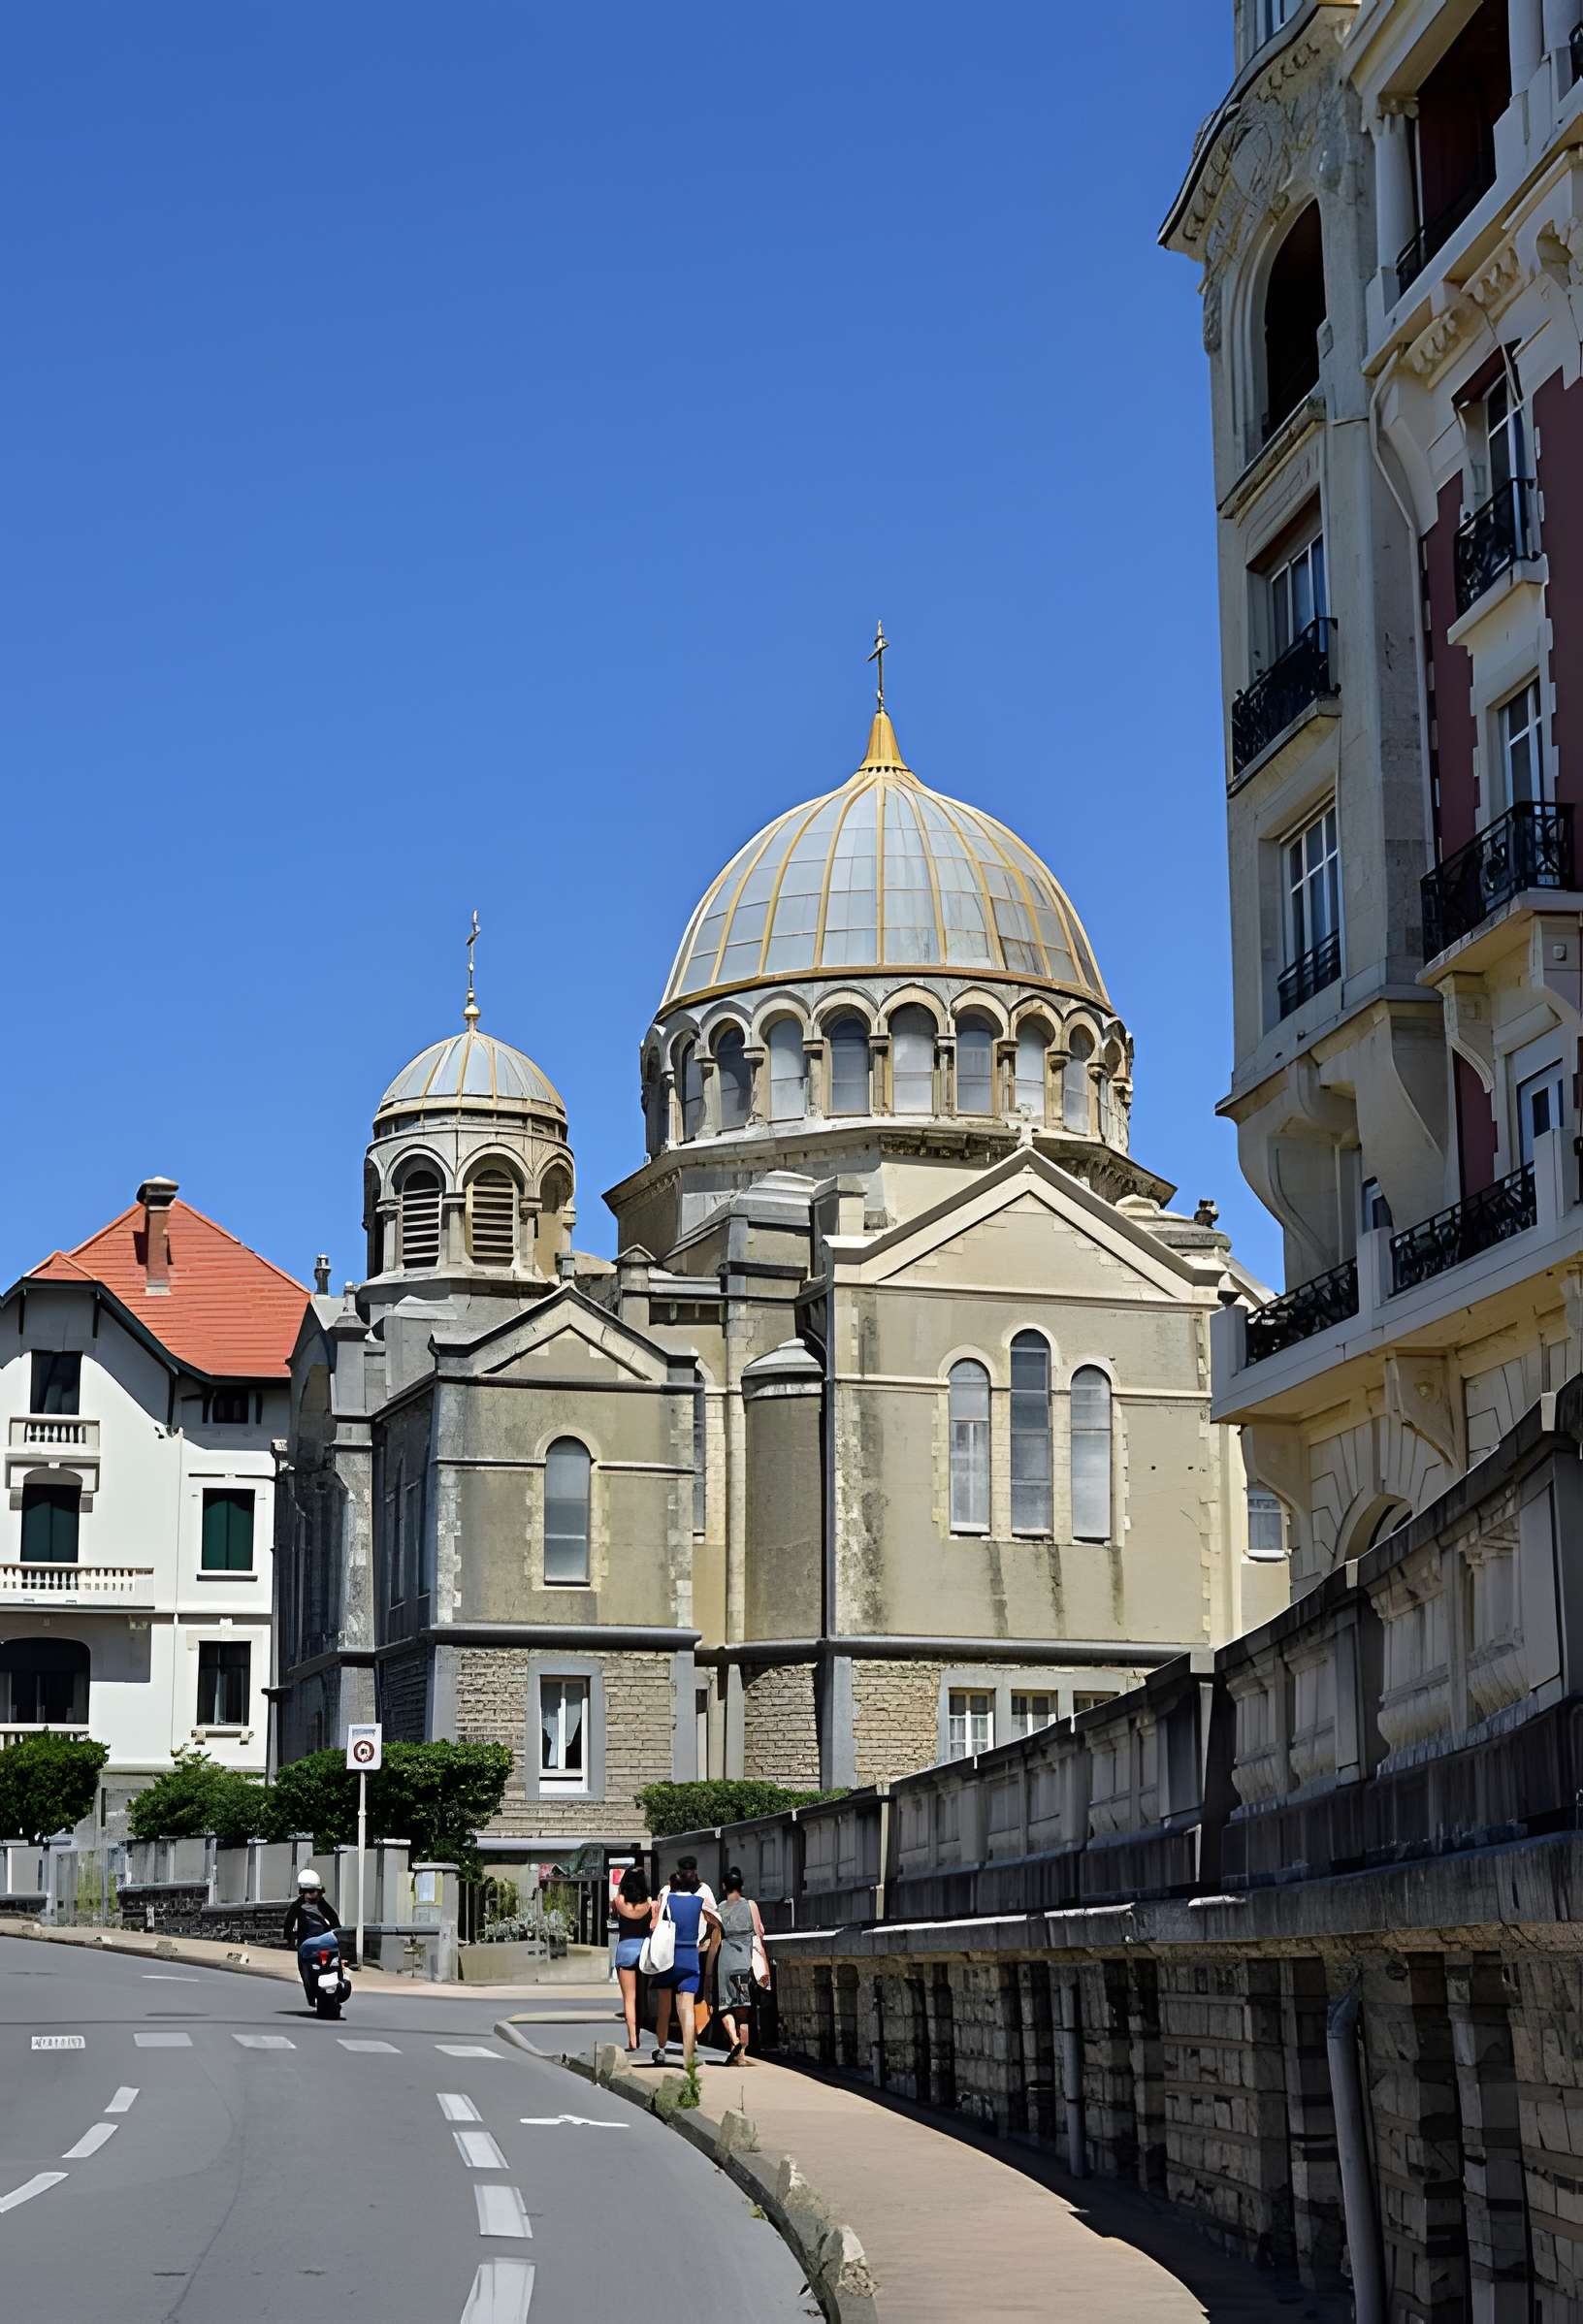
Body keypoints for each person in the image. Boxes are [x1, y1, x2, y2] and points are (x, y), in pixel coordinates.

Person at [648, 1863, 719, 2072]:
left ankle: (661, 2049)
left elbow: (657, 1926)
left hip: (669, 1956)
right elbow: (716, 1921)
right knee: (687, 2009)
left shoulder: (668, 1900)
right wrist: (706, 1942)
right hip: (691, 1955)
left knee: (664, 2008)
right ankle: (689, 2057)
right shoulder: (699, 1901)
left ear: (673, 1885)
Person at [715, 1866, 767, 2067]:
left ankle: (734, 2043)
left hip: (726, 1961)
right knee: (743, 2010)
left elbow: (715, 1938)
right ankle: (742, 2055)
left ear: (724, 1886)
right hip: (745, 1962)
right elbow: (759, 1931)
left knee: (725, 2007)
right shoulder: (751, 1905)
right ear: (741, 1886)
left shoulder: (719, 1908)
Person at [282, 1868, 339, 2005]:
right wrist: (289, 1940)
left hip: (326, 1944)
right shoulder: (298, 1906)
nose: (311, 1895)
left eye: (314, 1891)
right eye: (307, 1891)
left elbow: (336, 1923)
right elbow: (288, 1924)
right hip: (307, 1946)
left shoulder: (323, 1906)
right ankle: (311, 1995)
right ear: (302, 1892)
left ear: (320, 1892)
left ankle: (338, 1985)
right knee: (303, 1967)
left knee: (338, 1964)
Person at [611, 1865, 652, 2054]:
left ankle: (632, 2039)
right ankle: (639, 2031)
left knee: (629, 1998)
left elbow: (613, 1912)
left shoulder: (619, 1901)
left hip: (625, 1949)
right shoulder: (650, 1903)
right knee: (642, 1998)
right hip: (644, 1951)